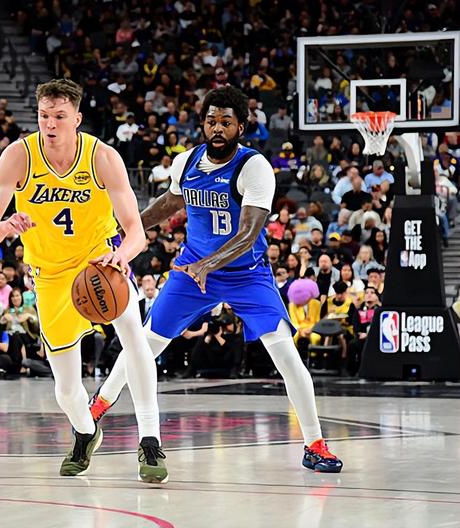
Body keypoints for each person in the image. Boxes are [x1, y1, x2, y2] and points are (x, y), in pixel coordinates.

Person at [90, 86, 342, 472]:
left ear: (241, 126)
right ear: (203, 124)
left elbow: (248, 232)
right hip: (191, 269)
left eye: (226, 122)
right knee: (145, 344)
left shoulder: (254, 167)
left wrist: (210, 264)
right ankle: (99, 405)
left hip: (246, 274)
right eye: (211, 121)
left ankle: (315, 444)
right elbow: (170, 202)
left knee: (286, 356)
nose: (218, 128)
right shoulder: (186, 162)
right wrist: (128, 229)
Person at [0, 79, 166, 483]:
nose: (50, 124)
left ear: (77, 118)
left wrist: (121, 255)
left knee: (134, 336)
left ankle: (150, 440)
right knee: (65, 390)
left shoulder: (102, 157)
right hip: (50, 277)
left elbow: (136, 232)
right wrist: (6, 226)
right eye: (44, 116)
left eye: (59, 116)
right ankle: (85, 431)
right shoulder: (18, 156)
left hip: (100, 264)